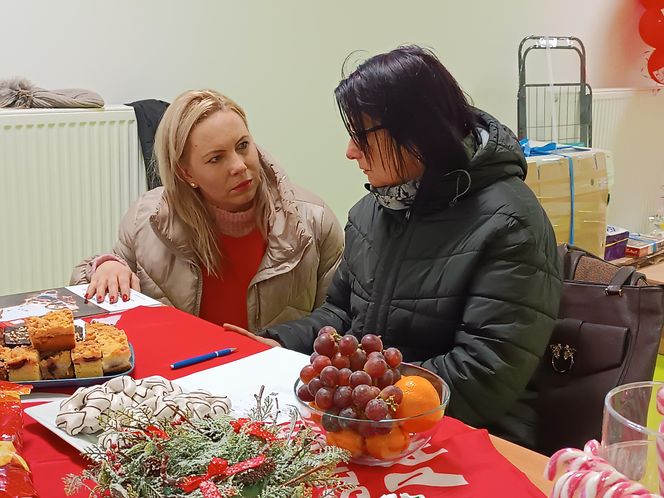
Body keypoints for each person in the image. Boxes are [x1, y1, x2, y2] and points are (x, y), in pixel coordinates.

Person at [228, 46, 562, 449]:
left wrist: (357, 396)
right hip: (374, 422)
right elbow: (340, 314)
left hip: (470, 435)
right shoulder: (371, 212)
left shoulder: (511, 223)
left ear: (415, 133)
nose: (350, 152)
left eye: (361, 137)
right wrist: (278, 344)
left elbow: (483, 376)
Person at [71, 89, 344, 332]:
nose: (238, 165)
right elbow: (97, 301)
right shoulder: (147, 219)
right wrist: (106, 266)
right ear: (185, 172)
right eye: (216, 158)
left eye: (243, 146)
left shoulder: (313, 220)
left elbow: (340, 318)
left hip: (275, 382)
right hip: (180, 381)